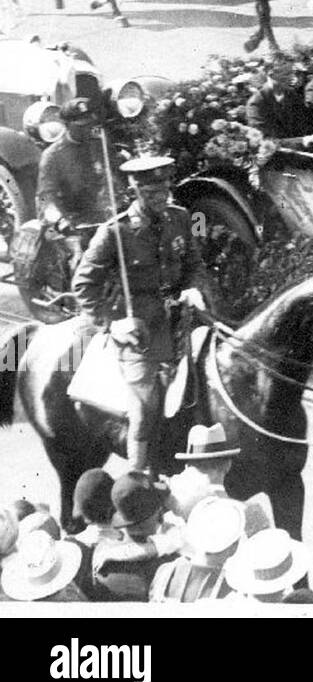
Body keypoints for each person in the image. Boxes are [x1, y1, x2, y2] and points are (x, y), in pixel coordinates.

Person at [72, 156, 207, 476]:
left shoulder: (180, 218)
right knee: (144, 407)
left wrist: (193, 288)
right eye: (151, 191)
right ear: (135, 189)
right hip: (139, 331)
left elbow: (194, 265)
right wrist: (112, 324)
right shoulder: (114, 233)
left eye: (164, 188)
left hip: (183, 318)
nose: (161, 196)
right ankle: (138, 477)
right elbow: (83, 284)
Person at [35, 97, 124, 255]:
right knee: (80, 259)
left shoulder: (100, 144)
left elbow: (115, 176)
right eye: (81, 126)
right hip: (71, 221)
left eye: (90, 124)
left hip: (102, 216)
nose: (88, 129)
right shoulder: (53, 156)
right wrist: (61, 221)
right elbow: (45, 198)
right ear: (67, 125)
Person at [245, 54, 313, 149]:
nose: (293, 78)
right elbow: (264, 142)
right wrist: (306, 140)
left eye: (292, 72)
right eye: (286, 74)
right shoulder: (256, 104)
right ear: (270, 73)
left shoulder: (291, 94)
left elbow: (308, 121)